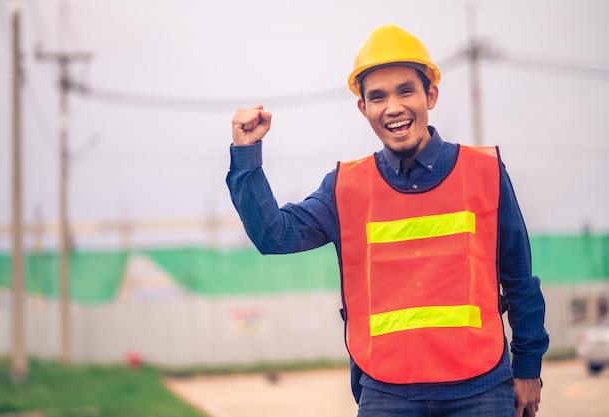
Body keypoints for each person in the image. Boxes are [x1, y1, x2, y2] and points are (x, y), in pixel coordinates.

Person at [226, 24, 549, 417]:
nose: (393, 107)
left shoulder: (485, 172)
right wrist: (247, 154)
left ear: (430, 94)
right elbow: (273, 235)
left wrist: (528, 367)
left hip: (480, 390)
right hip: (386, 393)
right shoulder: (345, 188)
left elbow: (520, 278)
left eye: (405, 91)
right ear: (363, 108)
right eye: (378, 97)